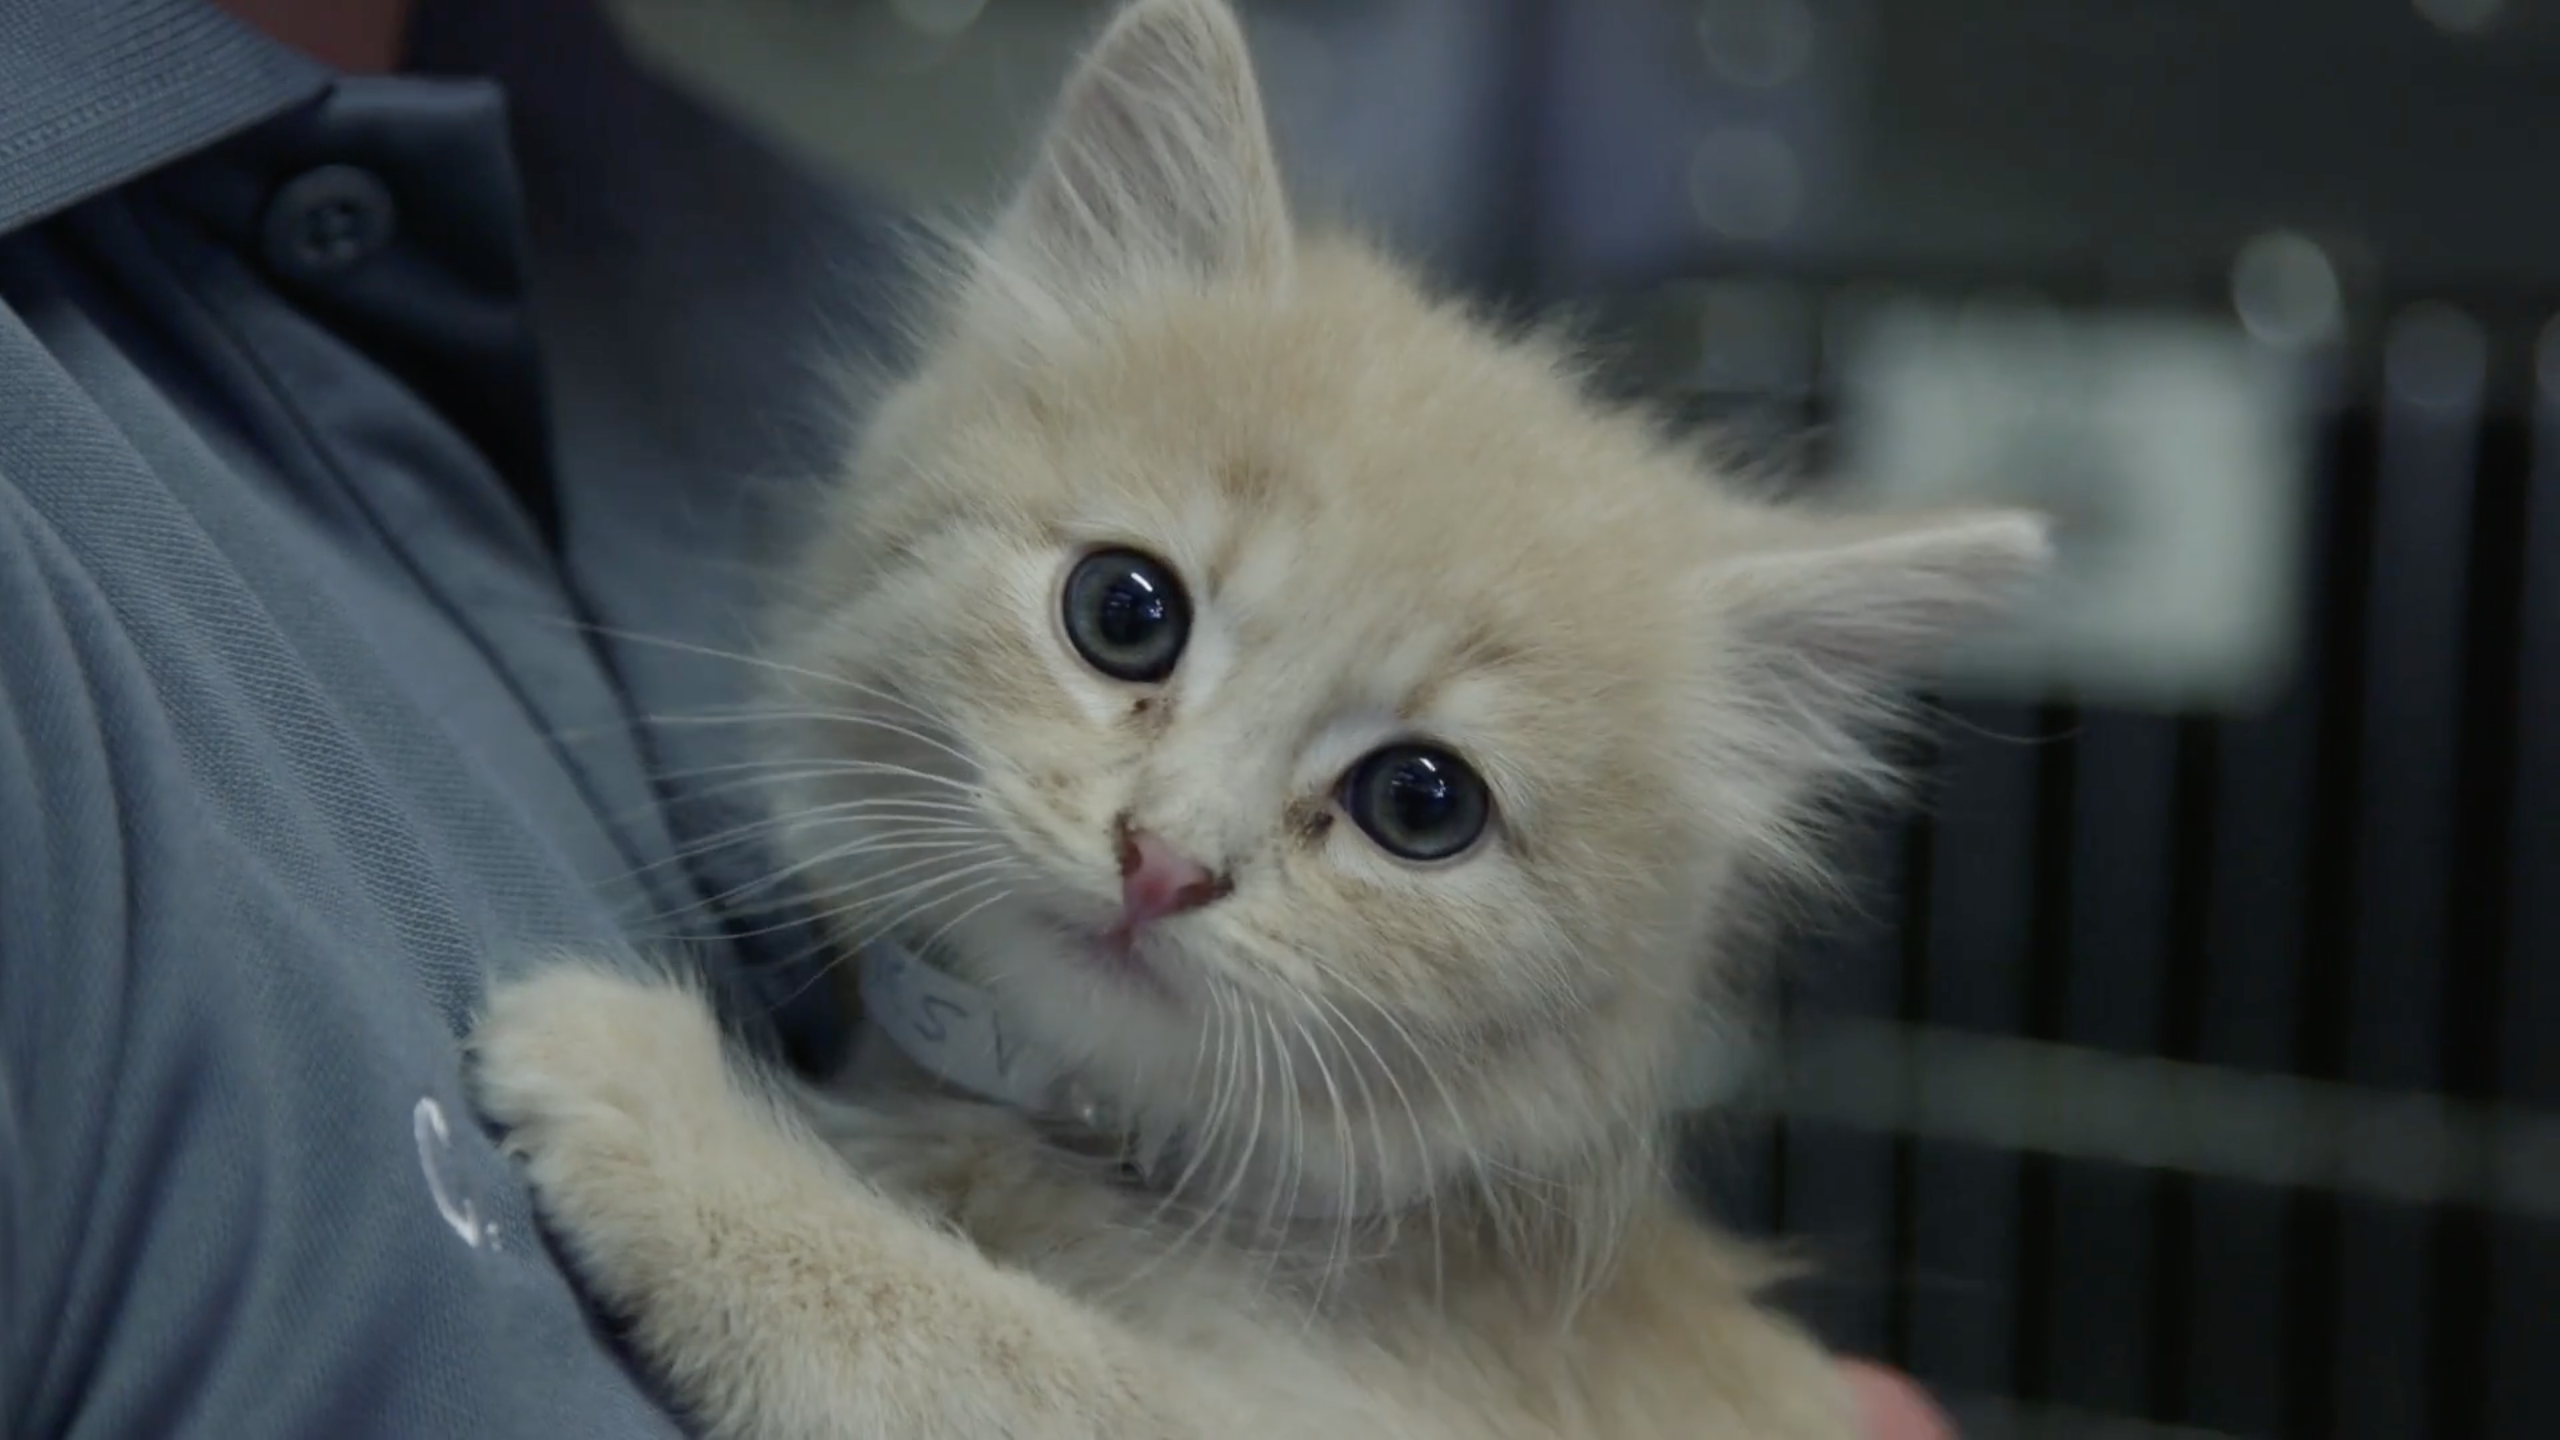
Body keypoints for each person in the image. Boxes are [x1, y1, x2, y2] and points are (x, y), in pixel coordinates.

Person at [0, 1, 1954, 1435]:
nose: (1172, 844)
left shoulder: (714, 215)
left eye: (1415, 799)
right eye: (1129, 620)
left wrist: (749, 1223)